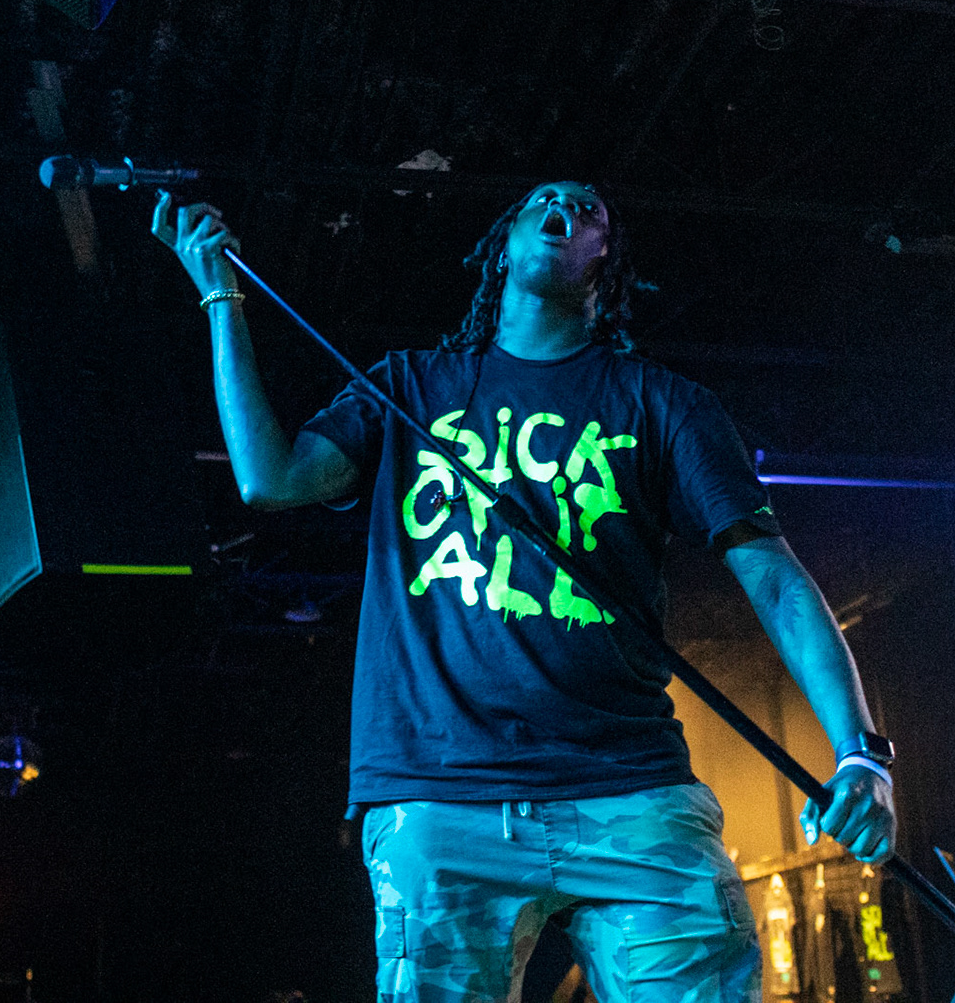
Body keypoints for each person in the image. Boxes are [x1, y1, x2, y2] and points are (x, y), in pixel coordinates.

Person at [154, 181, 898, 1003]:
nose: (562, 209)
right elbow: (270, 479)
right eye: (543, 199)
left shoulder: (664, 404)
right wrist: (221, 298)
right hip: (442, 797)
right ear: (503, 244)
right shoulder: (411, 386)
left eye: (588, 210)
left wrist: (861, 754)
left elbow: (776, 581)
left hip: (631, 791)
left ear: (606, 259)